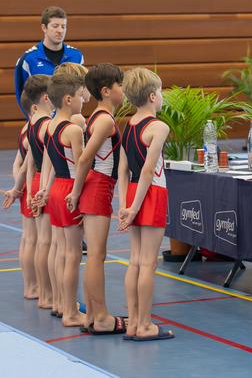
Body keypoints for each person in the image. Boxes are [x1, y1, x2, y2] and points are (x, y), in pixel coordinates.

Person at [65, 63, 127, 335]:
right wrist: (76, 192)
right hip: (98, 187)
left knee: (94, 256)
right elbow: (86, 158)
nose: (123, 90)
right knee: (96, 256)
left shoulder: (98, 117)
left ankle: (92, 313)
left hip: (97, 187)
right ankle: (101, 316)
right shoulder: (103, 120)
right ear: (106, 90)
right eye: (120, 85)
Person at [118, 67, 175, 341]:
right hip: (150, 194)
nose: (162, 97)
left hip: (131, 193)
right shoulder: (158, 127)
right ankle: (145, 325)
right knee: (148, 263)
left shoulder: (128, 125)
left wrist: (125, 205)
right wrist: (138, 206)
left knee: (135, 261)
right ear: (153, 96)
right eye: (161, 92)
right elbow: (148, 170)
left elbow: (122, 170)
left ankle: (132, 323)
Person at [36, 73, 87, 327]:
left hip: (56, 188)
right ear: (68, 99)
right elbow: (81, 165)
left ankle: (63, 304)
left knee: (63, 251)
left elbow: (53, 162)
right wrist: (79, 193)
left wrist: (45, 188)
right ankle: (70, 312)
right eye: (80, 96)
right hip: (70, 189)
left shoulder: (50, 126)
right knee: (73, 255)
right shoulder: (73, 129)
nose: (82, 100)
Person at [14, 6, 84, 116]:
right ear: (44, 28)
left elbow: (81, 91)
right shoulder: (28, 59)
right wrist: (34, 121)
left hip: (69, 123)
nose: (60, 31)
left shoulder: (77, 56)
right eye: (55, 26)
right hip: (42, 124)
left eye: (63, 26)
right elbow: (21, 95)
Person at [2, 91, 38, 300]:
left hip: (26, 187)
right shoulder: (35, 128)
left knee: (28, 238)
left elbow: (17, 163)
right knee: (35, 240)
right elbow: (26, 164)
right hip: (31, 187)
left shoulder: (25, 127)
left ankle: (30, 286)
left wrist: (19, 186)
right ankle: (34, 287)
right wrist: (19, 188)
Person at [23, 75, 54, 310]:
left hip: (37, 184)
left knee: (40, 241)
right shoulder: (46, 125)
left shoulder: (32, 124)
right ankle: (48, 294)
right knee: (47, 243)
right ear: (46, 98)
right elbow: (47, 162)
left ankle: (43, 293)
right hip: (47, 184)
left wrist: (28, 190)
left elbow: (30, 163)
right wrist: (43, 189)